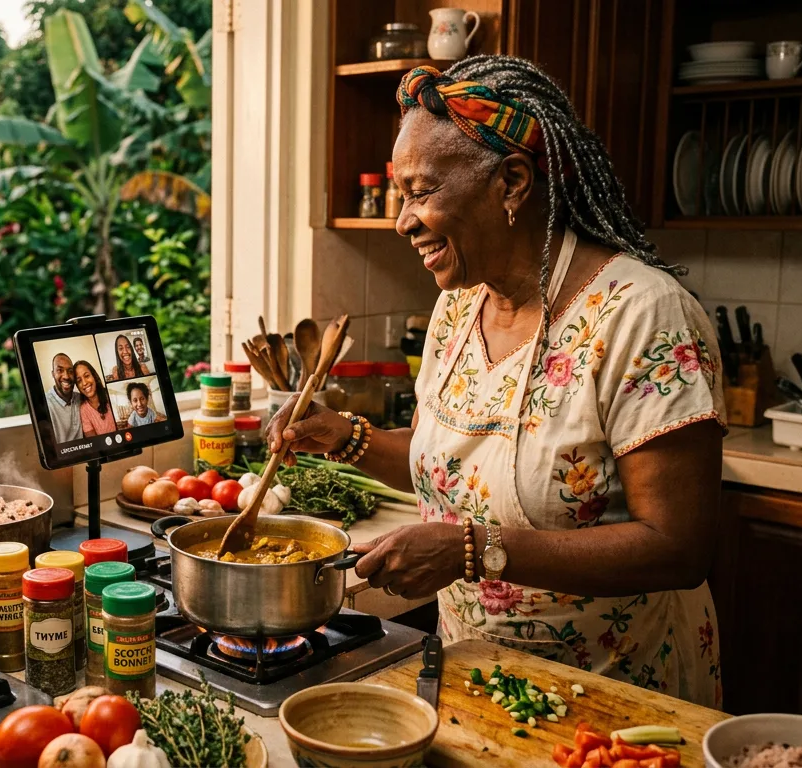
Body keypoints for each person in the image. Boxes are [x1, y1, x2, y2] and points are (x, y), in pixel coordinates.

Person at [269, 57, 725, 707]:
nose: (403, 220)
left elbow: (678, 547)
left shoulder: (644, 316)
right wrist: (344, 438)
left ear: (511, 182)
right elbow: (455, 466)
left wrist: (475, 550)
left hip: (620, 690)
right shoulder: (458, 304)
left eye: (421, 192)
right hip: (479, 676)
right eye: (401, 196)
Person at [45, 353, 83, 443]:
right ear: (53, 374)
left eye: (70, 371)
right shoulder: (45, 405)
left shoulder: (81, 398)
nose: (66, 376)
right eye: (59, 370)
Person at [75, 360, 117, 437]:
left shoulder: (111, 395)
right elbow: (95, 443)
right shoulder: (84, 410)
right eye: (79, 380)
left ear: (94, 376)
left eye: (87, 376)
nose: (84, 383)